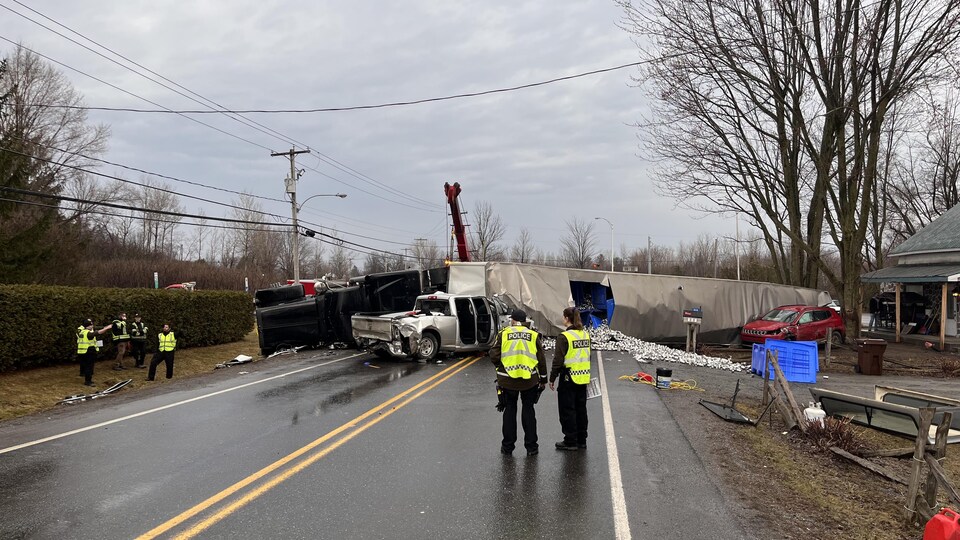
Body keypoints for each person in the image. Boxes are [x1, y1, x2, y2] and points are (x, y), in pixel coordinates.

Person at [488, 308, 547, 456]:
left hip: (507, 381)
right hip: (529, 380)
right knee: (528, 411)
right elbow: (541, 359)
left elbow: (494, 354)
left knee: (509, 411)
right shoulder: (533, 335)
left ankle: (507, 447)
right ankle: (531, 447)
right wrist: (544, 378)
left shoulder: (504, 334)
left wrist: (501, 367)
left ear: (513, 320)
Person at [550, 307, 591, 451]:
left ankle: (570, 440)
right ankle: (582, 440)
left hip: (569, 377)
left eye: (563, 316)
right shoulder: (585, 335)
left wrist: (552, 377)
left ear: (567, 318)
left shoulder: (564, 337)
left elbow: (558, 360)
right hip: (583, 376)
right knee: (581, 409)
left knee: (568, 409)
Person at [76, 319, 110, 387]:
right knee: (89, 367)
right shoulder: (87, 333)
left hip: (82, 351)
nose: (92, 326)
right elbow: (97, 333)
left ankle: (85, 376)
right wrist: (107, 328)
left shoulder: (82, 332)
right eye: (91, 325)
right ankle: (88, 381)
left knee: (85, 366)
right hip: (89, 351)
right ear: (87, 326)